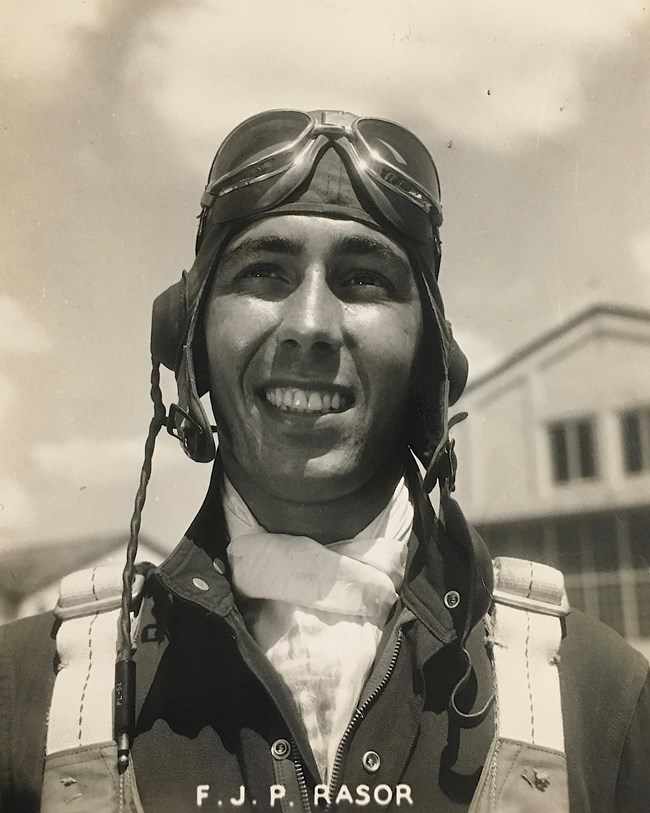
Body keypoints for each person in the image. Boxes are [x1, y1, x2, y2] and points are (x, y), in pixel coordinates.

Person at [1, 109, 649, 813]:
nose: (309, 324)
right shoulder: (25, 693)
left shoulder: (602, 699)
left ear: (430, 353)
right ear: (187, 334)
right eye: (265, 272)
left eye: (365, 279)